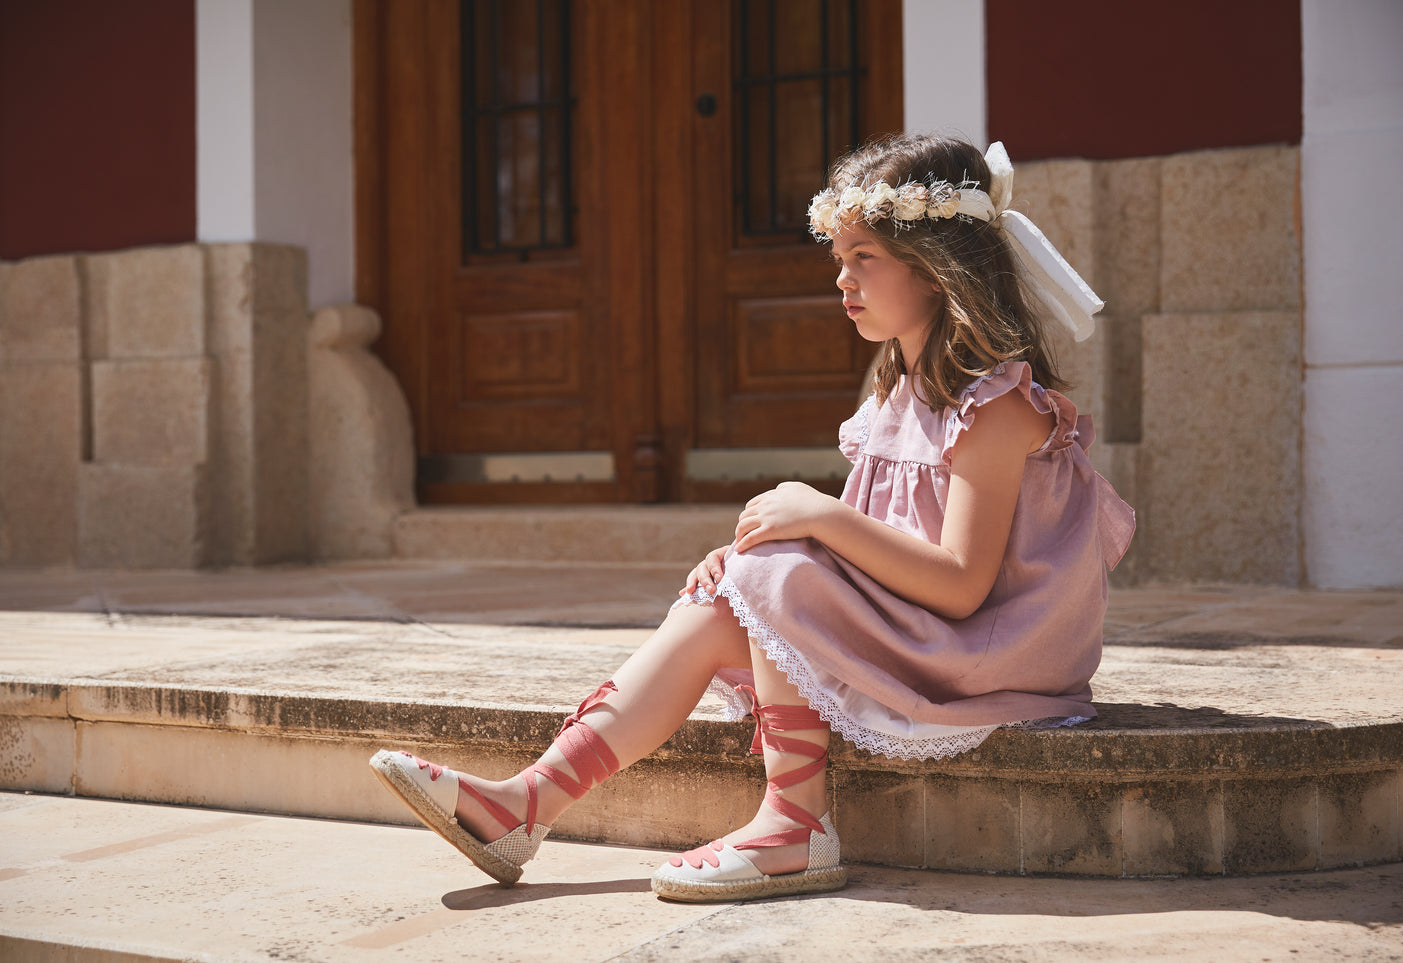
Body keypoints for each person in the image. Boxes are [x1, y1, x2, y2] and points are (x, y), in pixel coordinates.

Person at [369, 133, 1135, 903]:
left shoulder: (994, 406)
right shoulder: (899, 391)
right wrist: (767, 550)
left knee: (769, 574)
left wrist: (815, 522)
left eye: (863, 257)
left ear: (937, 268)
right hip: (933, 631)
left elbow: (963, 585)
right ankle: (523, 803)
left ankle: (794, 826)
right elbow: (879, 546)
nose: (842, 280)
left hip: (995, 652)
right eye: (838, 257)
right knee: (721, 598)